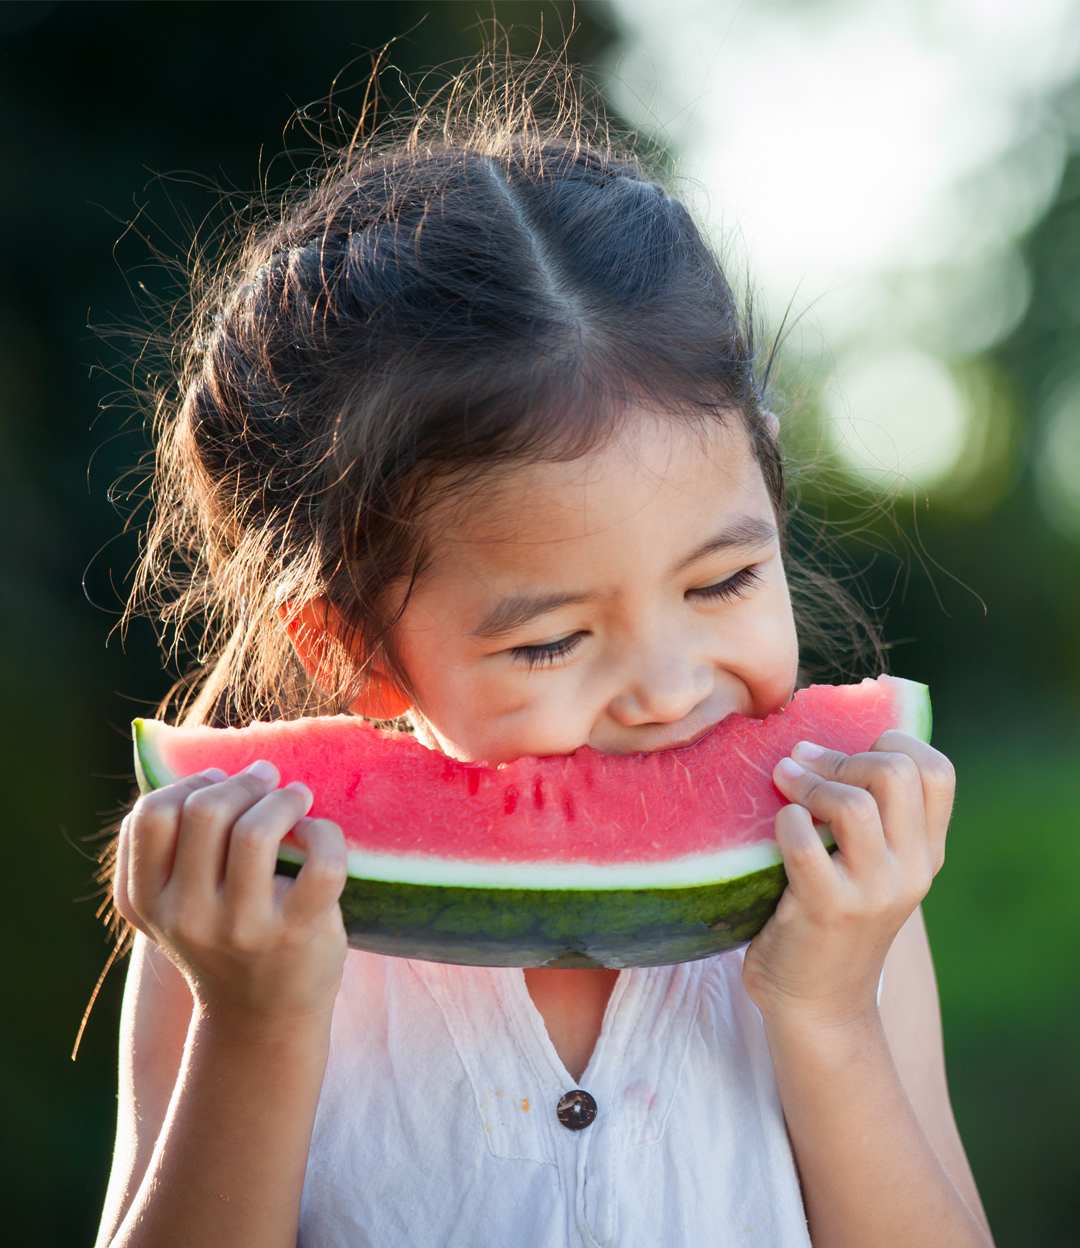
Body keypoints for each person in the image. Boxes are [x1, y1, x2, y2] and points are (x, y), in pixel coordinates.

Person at [95, 62, 994, 1248]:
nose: (670, 688)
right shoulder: (238, 931)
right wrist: (255, 1026)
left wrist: (825, 1013)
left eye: (724, 580)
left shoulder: (846, 899)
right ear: (351, 647)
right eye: (552, 640)